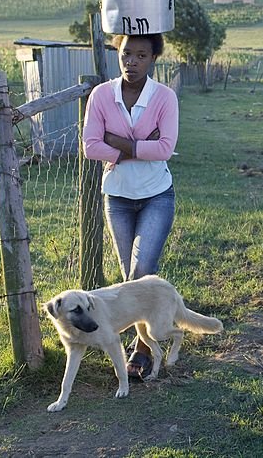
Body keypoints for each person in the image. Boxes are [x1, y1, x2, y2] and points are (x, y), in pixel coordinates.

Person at [83, 33, 178, 379]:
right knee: (130, 278)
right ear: (118, 54)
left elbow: (165, 148)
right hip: (119, 198)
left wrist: (117, 143)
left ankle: (141, 350)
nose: (132, 62)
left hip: (156, 194)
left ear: (153, 59)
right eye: (126, 54)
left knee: (141, 274)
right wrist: (139, 146)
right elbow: (91, 147)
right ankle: (138, 341)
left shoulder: (164, 97)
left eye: (141, 55)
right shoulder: (101, 95)